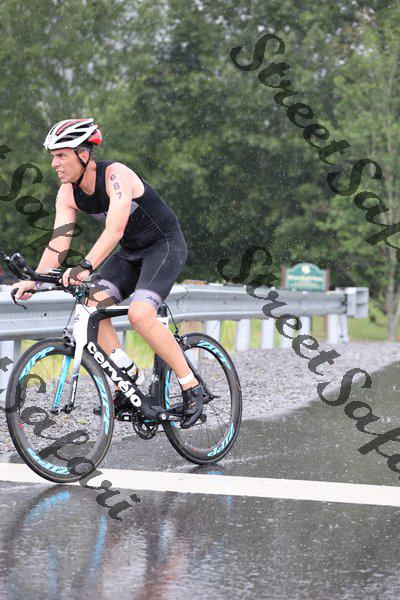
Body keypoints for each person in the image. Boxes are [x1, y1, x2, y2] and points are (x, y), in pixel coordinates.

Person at [12, 117, 204, 428]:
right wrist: (34, 280)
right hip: (130, 253)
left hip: (163, 246)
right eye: (52, 156)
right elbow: (59, 242)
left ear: (83, 154)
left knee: (140, 315)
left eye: (61, 155)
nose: (54, 163)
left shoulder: (116, 176)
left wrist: (85, 266)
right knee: (92, 304)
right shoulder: (67, 193)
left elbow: (114, 229)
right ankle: (127, 377)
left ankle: (191, 386)